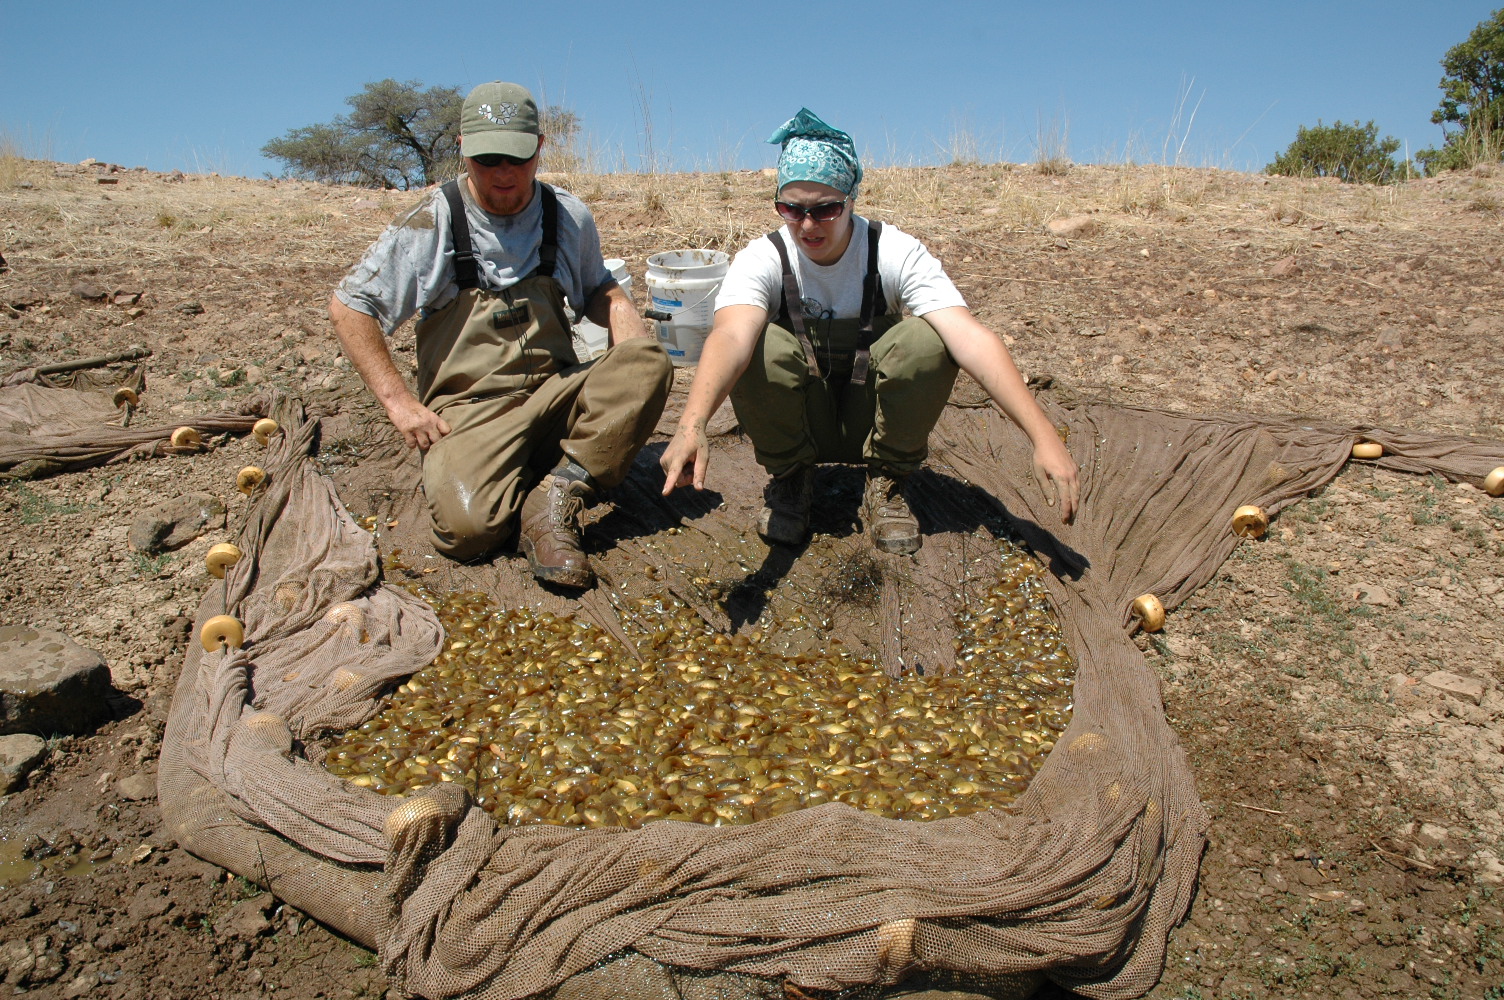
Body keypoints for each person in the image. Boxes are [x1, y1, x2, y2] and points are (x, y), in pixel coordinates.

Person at [660, 108, 1078, 553]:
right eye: (791, 208)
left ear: (851, 200)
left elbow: (972, 339)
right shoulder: (763, 257)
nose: (807, 225)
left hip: (873, 420)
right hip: (803, 421)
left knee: (928, 340)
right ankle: (791, 479)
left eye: (825, 209)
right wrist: (692, 423)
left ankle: (887, 482)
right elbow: (729, 337)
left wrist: (1043, 437)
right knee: (756, 344)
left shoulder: (895, 251)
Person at [331, 81, 672, 588]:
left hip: (555, 394)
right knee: (468, 532)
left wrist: (622, 315)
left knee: (649, 362)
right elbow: (350, 307)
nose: (504, 173)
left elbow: (599, 289)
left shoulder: (567, 215)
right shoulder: (431, 222)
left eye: (517, 157)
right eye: (488, 160)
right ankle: (532, 475)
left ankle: (555, 494)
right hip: (472, 412)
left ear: (539, 148)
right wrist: (400, 404)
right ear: (463, 150)